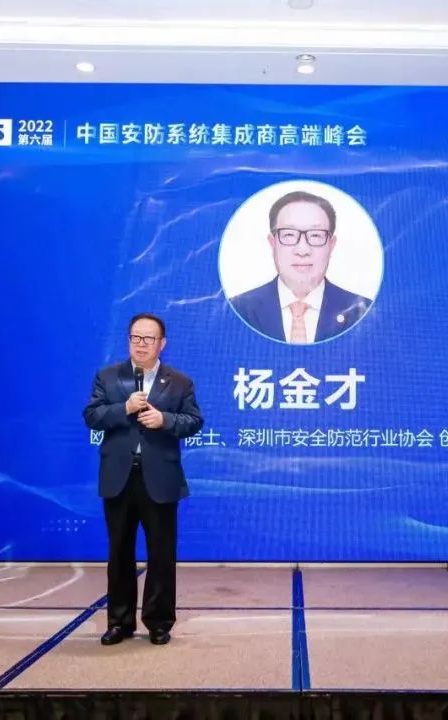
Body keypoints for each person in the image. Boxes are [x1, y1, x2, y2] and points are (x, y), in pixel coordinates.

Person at [83, 313, 203, 646]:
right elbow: (92, 416)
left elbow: (194, 421)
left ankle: (159, 622)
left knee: (161, 554)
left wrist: (165, 420)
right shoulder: (108, 377)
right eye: (135, 337)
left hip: (160, 478)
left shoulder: (179, 382)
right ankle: (119, 622)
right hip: (119, 477)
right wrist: (124, 408)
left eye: (148, 339)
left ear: (162, 343)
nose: (141, 344)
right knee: (119, 553)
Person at [229, 190, 372, 344]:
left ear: (331, 245)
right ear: (272, 243)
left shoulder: (362, 311)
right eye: (289, 235)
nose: (303, 250)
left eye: (315, 235)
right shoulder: (238, 309)